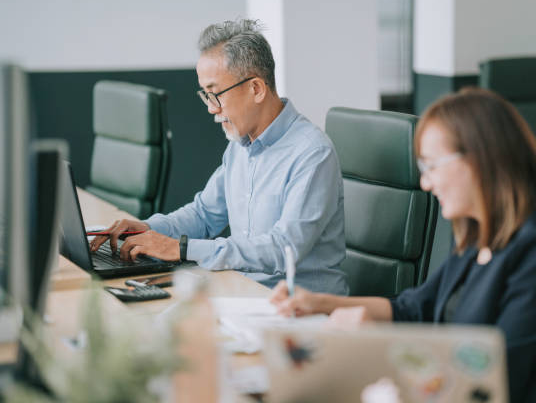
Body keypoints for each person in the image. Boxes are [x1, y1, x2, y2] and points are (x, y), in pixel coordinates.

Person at [270, 88, 536, 402]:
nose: (425, 183)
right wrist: (318, 303)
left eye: (431, 166)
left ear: (479, 159)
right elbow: (414, 308)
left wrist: (377, 345)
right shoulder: (480, 236)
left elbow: (493, 378)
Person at [90, 19, 348, 295]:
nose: (212, 109)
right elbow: (203, 214)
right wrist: (146, 229)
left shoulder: (312, 153)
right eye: (206, 95)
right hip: (244, 295)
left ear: (256, 89)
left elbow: (282, 249)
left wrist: (181, 249)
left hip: (301, 312)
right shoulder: (240, 145)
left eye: (216, 94)